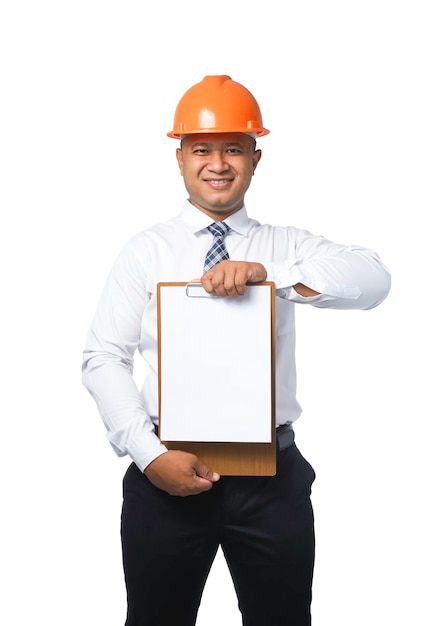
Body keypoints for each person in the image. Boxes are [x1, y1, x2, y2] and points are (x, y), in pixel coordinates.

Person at [82, 75, 391, 626]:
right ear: (180, 158)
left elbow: (373, 282)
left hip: (272, 478)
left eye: (234, 148)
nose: (218, 163)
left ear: (255, 157)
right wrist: (150, 457)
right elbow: (103, 357)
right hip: (166, 473)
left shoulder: (286, 246)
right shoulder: (145, 251)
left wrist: (268, 275)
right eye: (202, 149)